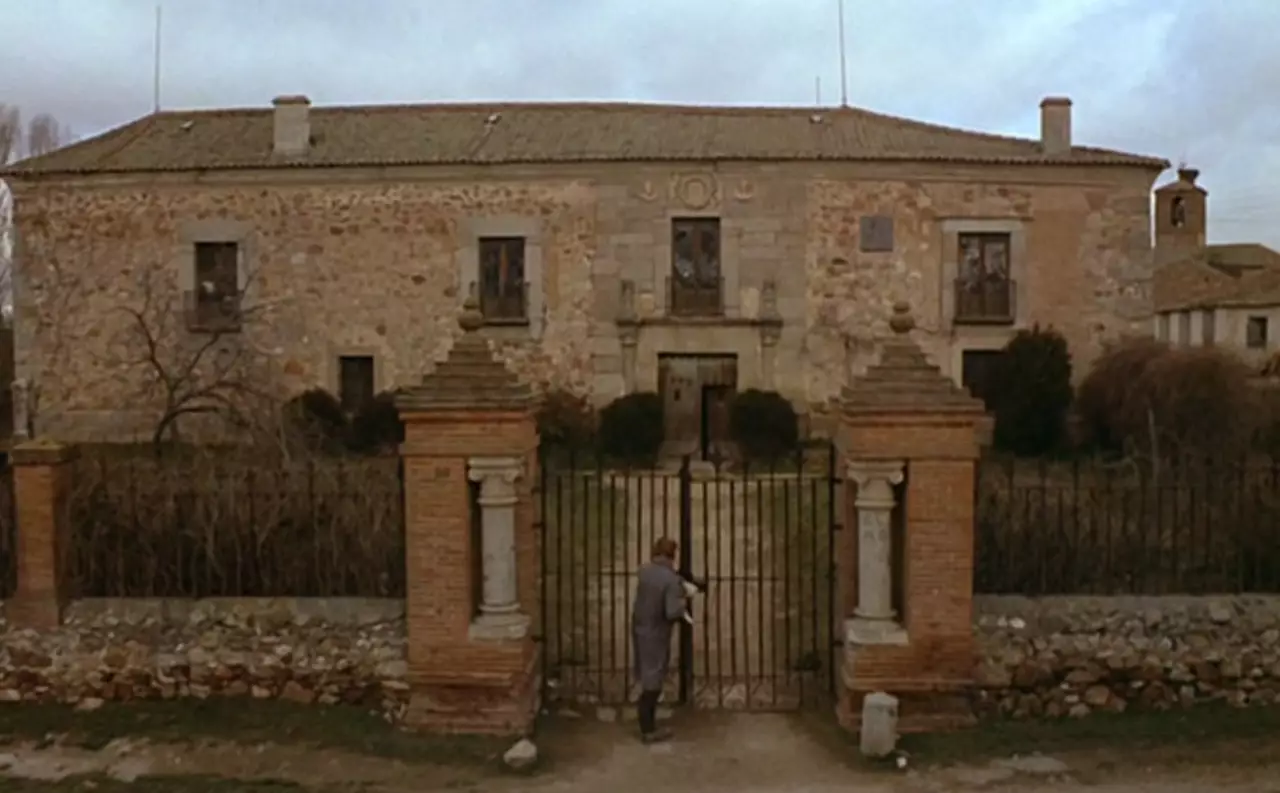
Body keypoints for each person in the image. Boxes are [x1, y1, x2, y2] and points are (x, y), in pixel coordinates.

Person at [631, 536, 688, 744]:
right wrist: (683, 600)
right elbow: (671, 611)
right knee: (653, 680)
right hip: (657, 633)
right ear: (672, 555)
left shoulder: (645, 572)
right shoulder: (671, 579)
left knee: (646, 674)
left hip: (640, 628)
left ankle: (647, 724)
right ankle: (648, 729)